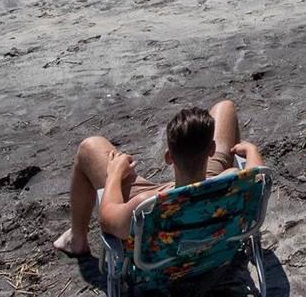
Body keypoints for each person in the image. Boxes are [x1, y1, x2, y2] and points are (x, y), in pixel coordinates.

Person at [55, 102, 259, 257]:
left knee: (89, 147)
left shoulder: (145, 205)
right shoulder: (234, 182)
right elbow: (259, 176)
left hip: (164, 263)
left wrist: (115, 173)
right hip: (217, 236)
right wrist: (252, 150)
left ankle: (77, 239)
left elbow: (107, 219)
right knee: (226, 106)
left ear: (169, 158)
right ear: (211, 150)